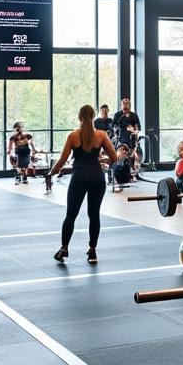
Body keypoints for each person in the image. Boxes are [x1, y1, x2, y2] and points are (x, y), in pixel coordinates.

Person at [49, 104, 117, 264]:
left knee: (71, 215)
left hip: (79, 177)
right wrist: (106, 160)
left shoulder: (73, 136)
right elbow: (114, 156)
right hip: (97, 178)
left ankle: (64, 248)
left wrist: (51, 172)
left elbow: (62, 159)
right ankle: (92, 250)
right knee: (94, 215)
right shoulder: (101, 135)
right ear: (94, 116)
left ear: (79, 117)